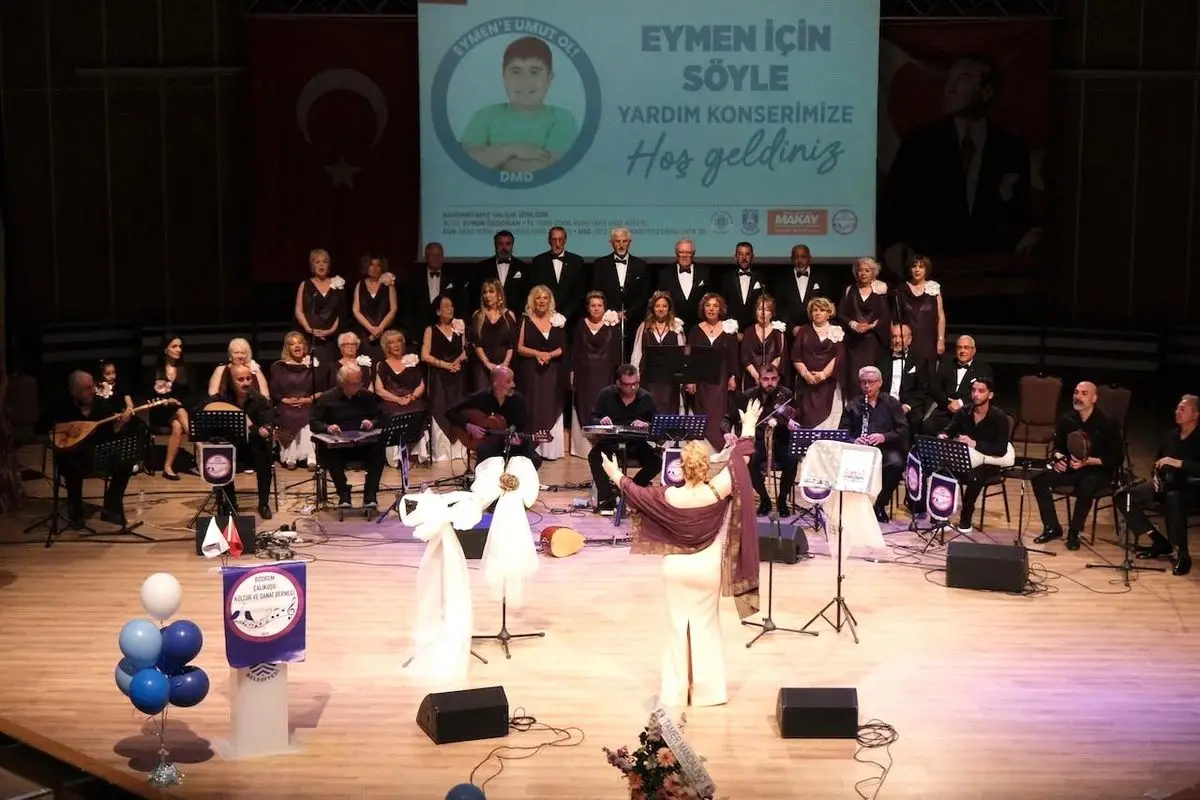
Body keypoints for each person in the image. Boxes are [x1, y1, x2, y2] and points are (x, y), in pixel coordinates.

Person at [598, 399, 764, 708]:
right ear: (705, 466)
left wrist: (614, 473)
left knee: (677, 627)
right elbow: (742, 458)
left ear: (681, 468)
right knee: (707, 625)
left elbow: (634, 492)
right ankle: (708, 693)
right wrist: (750, 424)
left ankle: (675, 692)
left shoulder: (668, 496)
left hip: (676, 570)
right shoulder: (718, 489)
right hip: (708, 568)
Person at [460, 36, 579, 172]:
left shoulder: (561, 118)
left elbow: (550, 168)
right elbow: (465, 161)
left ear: (549, 78)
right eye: (516, 72)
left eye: (534, 72)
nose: (525, 81)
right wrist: (513, 150)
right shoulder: (485, 115)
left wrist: (495, 159)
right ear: (504, 77)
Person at [1032, 381, 1123, 550]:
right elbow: (1058, 447)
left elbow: (1116, 458)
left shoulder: (1108, 424)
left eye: (1084, 393)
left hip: (1097, 471)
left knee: (1087, 484)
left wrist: (1087, 461)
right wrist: (1058, 459)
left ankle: (1074, 532)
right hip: (1072, 467)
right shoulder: (1066, 420)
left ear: (1094, 398)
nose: (1078, 396)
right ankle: (1052, 527)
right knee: (1039, 479)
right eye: (1076, 392)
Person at [1123, 395, 1200, 576]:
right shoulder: (1170, 436)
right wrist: (1156, 476)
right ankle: (1158, 541)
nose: (1177, 412)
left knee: (1174, 499)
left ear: (1195, 415)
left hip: (1192, 489)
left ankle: (1183, 555)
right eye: (1177, 408)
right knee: (1125, 495)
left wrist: (1179, 463)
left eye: (1182, 409)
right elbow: (1158, 462)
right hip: (1167, 485)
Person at [53, 370, 135, 528]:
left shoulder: (101, 404)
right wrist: (68, 431)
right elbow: (50, 430)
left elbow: (112, 432)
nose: (92, 391)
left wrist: (122, 422)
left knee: (126, 462)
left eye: (92, 387)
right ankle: (76, 512)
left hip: (97, 455)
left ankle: (111, 507)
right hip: (73, 457)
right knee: (71, 464)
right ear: (74, 392)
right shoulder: (62, 406)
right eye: (86, 388)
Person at [937, 376, 1013, 532]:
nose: (976, 394)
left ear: (990, 395)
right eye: (973, 390)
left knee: (975, 477)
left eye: (981, 391)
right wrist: (943, 435)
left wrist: (975, 444)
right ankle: (941, 517)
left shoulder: (999, 417)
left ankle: (965, 520)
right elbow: (949, 430)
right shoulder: (964, 412)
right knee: (943, 472)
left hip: (990, 460)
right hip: (969, 458)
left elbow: (1000, 449)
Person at [587, 365, 660, 515]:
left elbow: (658, 424)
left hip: (636, 444)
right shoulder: (606, 395)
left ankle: (630, 491)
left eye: (636, 383)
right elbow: (593, 418)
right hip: (611, 442)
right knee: (594, 456)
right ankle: (606, 499)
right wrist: (600, 420)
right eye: (628, 384)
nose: (633, 388)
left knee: (656, 461)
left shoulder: (646, 398)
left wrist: (647, 424)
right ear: (618, 383)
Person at [309, 364, 385, 509]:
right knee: (329, 453)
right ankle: (343, 494)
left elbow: (380, 417)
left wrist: (372, 423)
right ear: (342, 382)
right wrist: (328, 428)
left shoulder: (367, 396)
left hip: (362, 445)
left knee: (379, 450)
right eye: (353, 384)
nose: (358, 386)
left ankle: (370, 494)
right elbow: (314, 423)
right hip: (338, 447)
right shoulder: (327, 398)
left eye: (359, 383)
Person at [727, 364, 799, 517]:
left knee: (792, 460)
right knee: (750, 461)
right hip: (758, 441)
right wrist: (727, 433)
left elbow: (795, 417)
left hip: (780, 440)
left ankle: (782, 500)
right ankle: (765, 499)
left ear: (778, 379)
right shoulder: (748, 396)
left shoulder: (786, 395)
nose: (770, 383)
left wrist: (791, 424)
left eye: (773, 379)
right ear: (759, 380)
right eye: (765, 379)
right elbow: (728, 418)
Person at [839, 366, 909, 523]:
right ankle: (855, 505)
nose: (867, 386)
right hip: (859, 450)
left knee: (897, 463)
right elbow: (842, 432)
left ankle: (880, 504)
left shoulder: (891, 403)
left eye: (871, 382)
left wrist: (884, 437)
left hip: (885, 449)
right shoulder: (853, 405)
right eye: (863, 382)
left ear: (880, 383)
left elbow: (903, 430)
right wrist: (854, 440)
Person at [209, 363, 276, 519]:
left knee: (265, 458)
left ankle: (263, 504)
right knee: (221, 458)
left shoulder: (259, 399)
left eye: (248, 378)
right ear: (231, 381)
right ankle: (231, 504)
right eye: (240, 379)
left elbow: (268, 423)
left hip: (253, 447)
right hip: (231, 447)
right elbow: (201, 410)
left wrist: (265, 430)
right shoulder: (222, 399)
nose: (246, 383)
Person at [446, 365, 540, 466]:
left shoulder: (517, 400)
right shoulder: (480, 397)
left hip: (513, 446)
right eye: (508, 381)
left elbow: (522, 430)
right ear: (496, 383)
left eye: (512, 380)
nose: (513, 384)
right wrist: (468, 426)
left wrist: (518, 440)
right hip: (491, 447)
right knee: (484, 451)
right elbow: (450, 412)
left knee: (534, 459)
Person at [924, 335, 993, 435]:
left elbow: (983, 394)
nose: (962, 351)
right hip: (945, 409)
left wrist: (961, 403)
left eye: (966, 347)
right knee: (927, 426)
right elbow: (935, 388)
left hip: (969, 412)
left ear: (973, 351)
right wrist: (948, 403)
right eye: (959, 347)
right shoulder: (946, 365)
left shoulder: (984, 369)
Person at [293, 247, 347, 366]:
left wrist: (330, 331)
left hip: (332, 339)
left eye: (324, 261)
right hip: (310, 337)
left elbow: (341, 312)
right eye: (317, 262)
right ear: (312, 267)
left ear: (329, 266)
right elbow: (299, 311)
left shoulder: (337, 284)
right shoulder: (305, 285)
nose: (321, 265)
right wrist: (309, 329)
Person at [878, 323, 932, 436]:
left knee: (915, 419)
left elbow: (923, 390)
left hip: (908, 406)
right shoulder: (882, 359)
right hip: (885, 403)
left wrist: (907, 405)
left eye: (901, 337)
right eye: (894, 336)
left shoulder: (920, 361)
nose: (897, 340)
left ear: (909, 340)